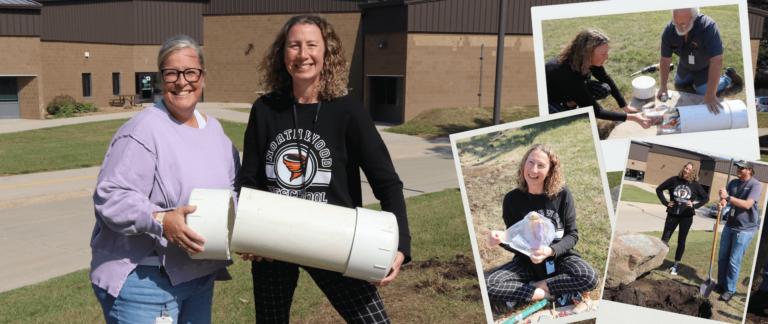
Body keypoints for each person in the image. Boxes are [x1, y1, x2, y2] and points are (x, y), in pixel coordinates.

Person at [236, 15, 411, 323]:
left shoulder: (348, 111)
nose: (303, 54)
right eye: (294, 45)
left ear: (327, 53)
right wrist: (248, 234)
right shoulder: (264, 110)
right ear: (282, 54)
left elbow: (386, 182)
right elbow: (249, 181)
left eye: (311, 45)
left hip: (337, 239)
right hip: (274, 241)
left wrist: (400, 247)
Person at [90, 35, 241, 323]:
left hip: (198, 276)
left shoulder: (216, 133)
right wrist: (161, 219)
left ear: (203, 77)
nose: (181, 81)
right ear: (161, 79)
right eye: (172, 72)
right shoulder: (142, 130)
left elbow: (232, 190)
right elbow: (110, 197)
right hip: (146, 281)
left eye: (190, 72)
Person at [485, 145, 598, 312]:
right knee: (489, 283)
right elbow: (513, 239)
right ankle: (544, 294)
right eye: (530, 163)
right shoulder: (512, 199)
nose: (533, 170)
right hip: (527, 263)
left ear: (551, 171)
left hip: (559, 259)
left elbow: (572, 235)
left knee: (589, 277)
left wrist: (550, 251)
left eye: (541, 165)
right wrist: (500, 238)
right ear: (523, 164)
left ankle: (532, 287)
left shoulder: (562, 194)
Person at [546, 29, 651, 128]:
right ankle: (568, 105)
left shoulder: (587, 60)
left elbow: (606, 79)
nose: (607, 57)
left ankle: (572, 102)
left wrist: (624, 106)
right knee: (565, 123)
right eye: (603, 54)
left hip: (569, 88)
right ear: (586, 53)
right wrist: (634, 118)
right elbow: (596, 112)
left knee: (604, 88)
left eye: (607, 52)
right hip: (549, 100)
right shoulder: (567, 72)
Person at [656, 7, 743, 113]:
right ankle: (694, 80)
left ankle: (728, 77)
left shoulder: (708, 27)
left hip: (705, 67)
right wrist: (663, 86)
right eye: (675, 22)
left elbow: (717, 61)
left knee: (702, 92)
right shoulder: (670, 30)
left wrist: (710, 94)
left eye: (683, 24)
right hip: (685, 65)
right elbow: (665, 59)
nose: (678, 27)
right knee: (679, 84)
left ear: (693, 18)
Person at [717, 160, 761, 302]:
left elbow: (748, 205)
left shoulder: (755, 185)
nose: (738, 169)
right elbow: (725, 200)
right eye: (738, 167)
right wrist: (722, 202)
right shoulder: (733, 183)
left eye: (741, 168)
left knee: (733, 261)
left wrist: (728, 197)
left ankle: (730, 290)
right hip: (730, 225)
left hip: (745, 229)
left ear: (749, 170)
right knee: (722, 257)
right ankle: (721, 284)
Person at [655, 162, 709, 276]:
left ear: (693, 172)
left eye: (689, 169)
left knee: (681, 241)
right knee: (665, 238)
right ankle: (657, 261)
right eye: (685, 167)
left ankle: (675, 265)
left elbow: (705, 198)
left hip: (687, 216)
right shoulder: (674, 180)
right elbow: (659, 189)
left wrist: (694, 205)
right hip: (672, 214)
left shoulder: (695, 185)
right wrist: (665, 203)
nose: (686, 170)